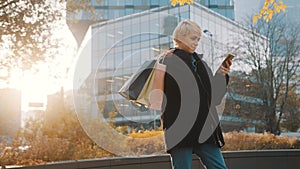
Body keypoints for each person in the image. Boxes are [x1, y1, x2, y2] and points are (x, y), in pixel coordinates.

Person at [161, 20, 233, 169]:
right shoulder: (168, 60)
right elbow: (186, 92)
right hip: (180, 129)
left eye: (198, 39)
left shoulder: (200, 63)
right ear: (180, 37)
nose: (196, 43)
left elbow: (213, 98)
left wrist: (220, 75)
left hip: (204, 129)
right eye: (193, 38)